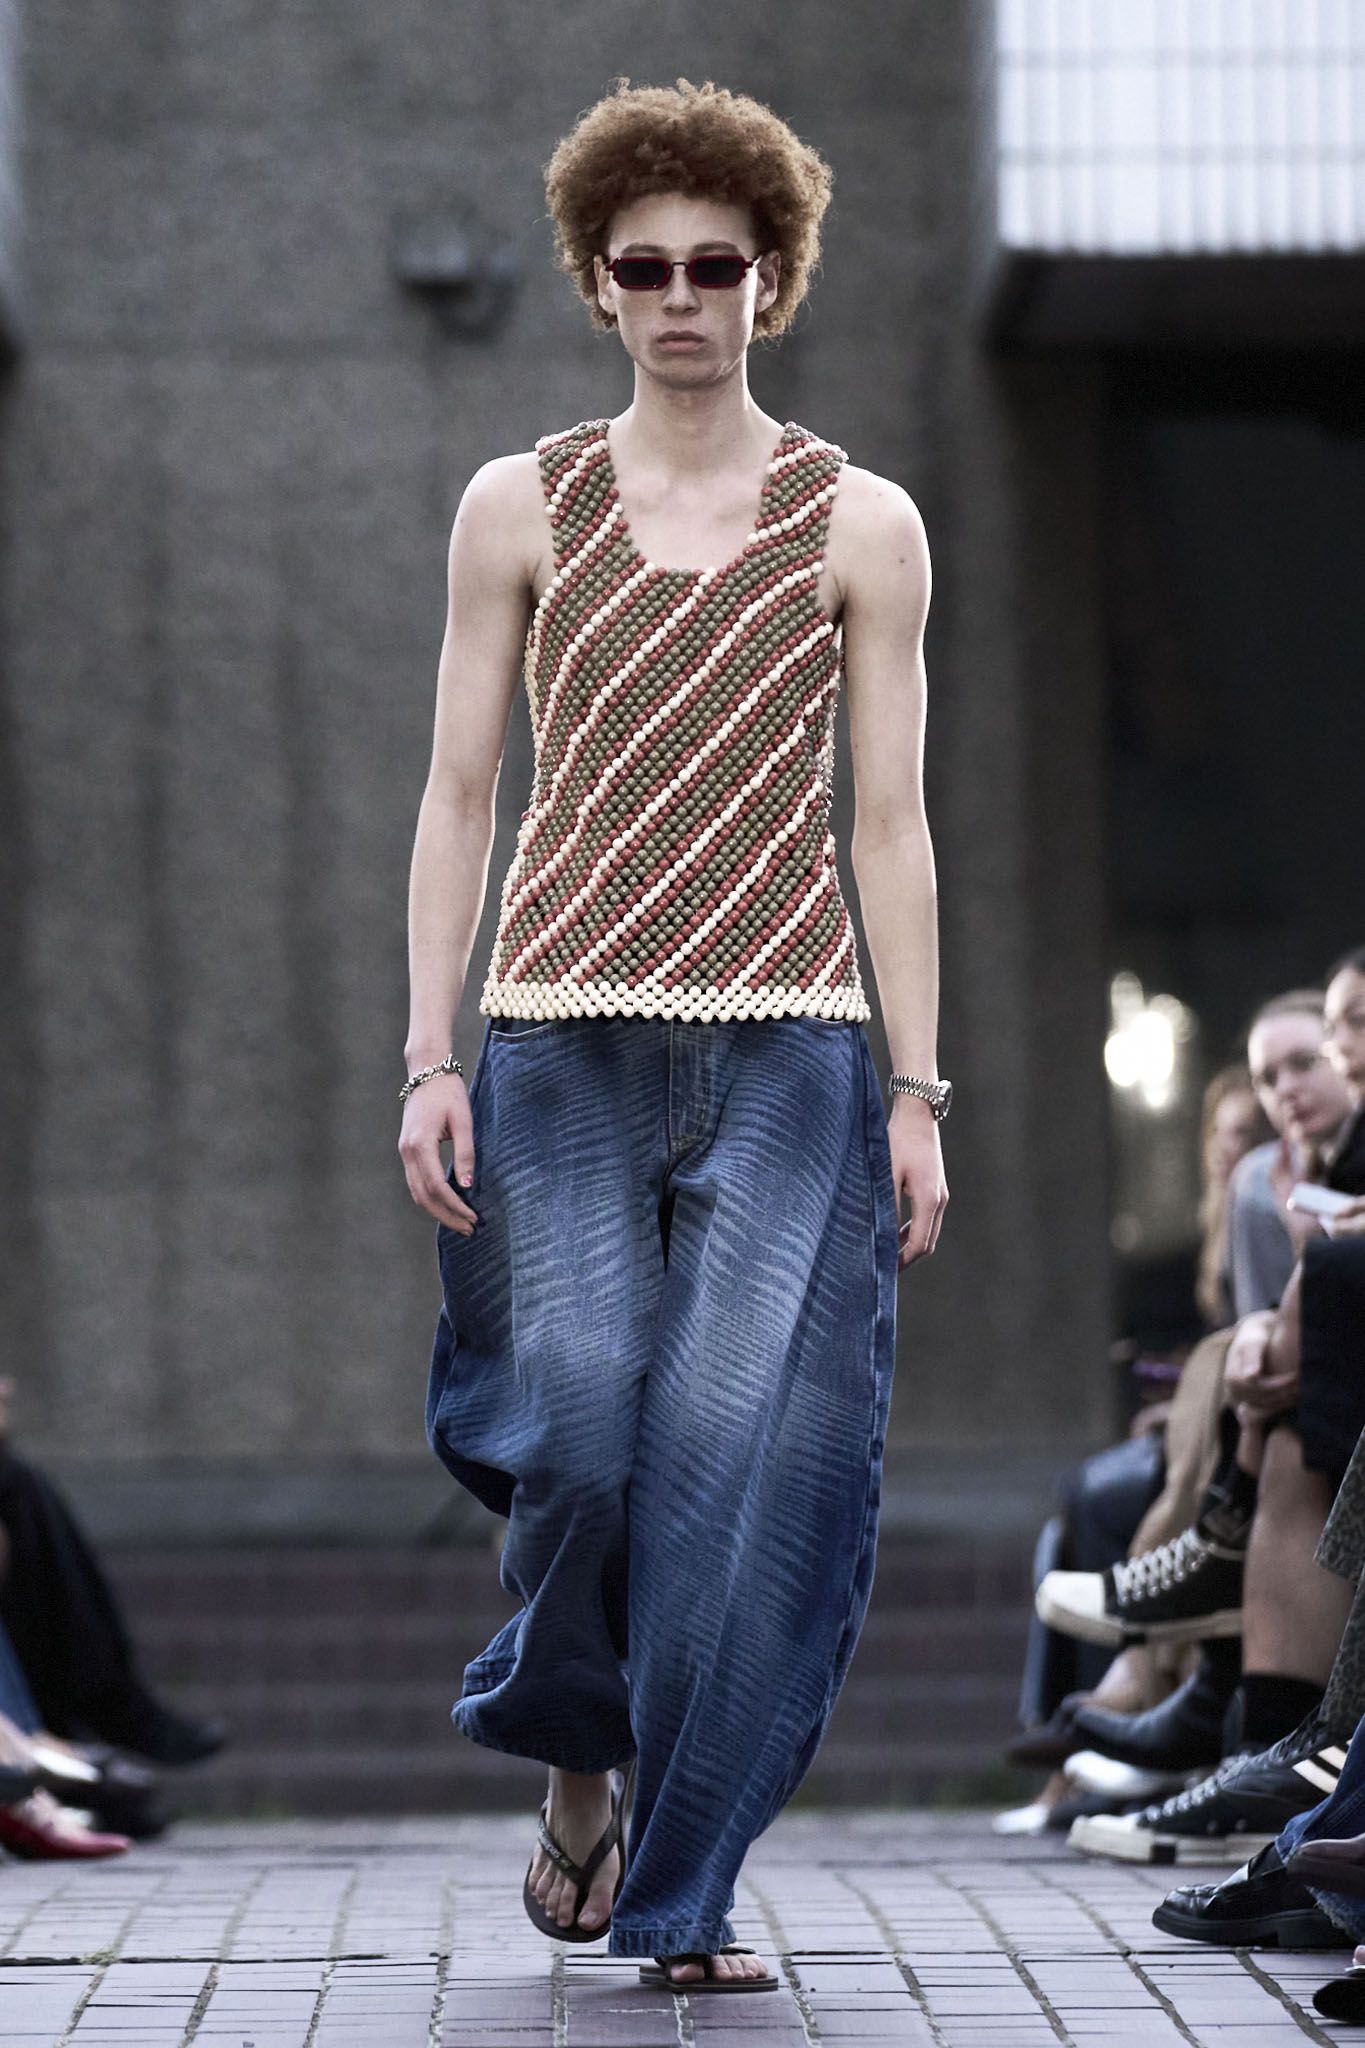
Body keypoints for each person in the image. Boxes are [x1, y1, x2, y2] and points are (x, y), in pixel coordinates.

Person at [399, 80, 948, 1994]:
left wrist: (915, 1091)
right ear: (595, 283)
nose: (683, 298)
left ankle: (683, 1890)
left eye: (719, 266)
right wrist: (429, 1054)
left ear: (771, 278)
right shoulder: (518, 502)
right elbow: (458, 792)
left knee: (741, 1464)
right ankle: (577, 1748)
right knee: (575, 1434)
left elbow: (890, 823)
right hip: (556, 1038)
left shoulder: (862, 519)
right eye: (645, 269)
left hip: (792, 1047)